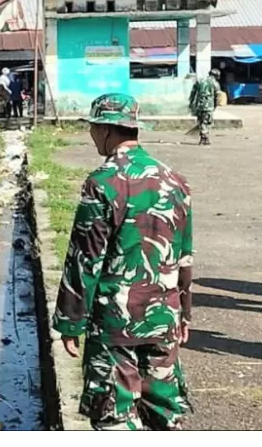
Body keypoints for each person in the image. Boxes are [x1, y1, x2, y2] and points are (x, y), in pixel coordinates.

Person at [51, 93, 194, 430]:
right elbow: (184, 256)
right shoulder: (175, 180)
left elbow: (84, 260)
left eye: (92, 128)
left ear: (104, 130)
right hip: (164, 315)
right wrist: (185, 313)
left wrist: (70, 323)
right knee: (163, 412)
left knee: (114, 412)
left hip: (115, 321)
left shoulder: (103, 182)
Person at [188, 69, 221, 145]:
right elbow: (217, 97)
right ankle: (204, 138)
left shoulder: (200, 81)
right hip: (209, 106)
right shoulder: (215, 83)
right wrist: (215, 106)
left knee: (201, 121)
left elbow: (193, 93)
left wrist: (191, 103)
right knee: (206, 122)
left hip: (199, 105)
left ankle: (204, 137)